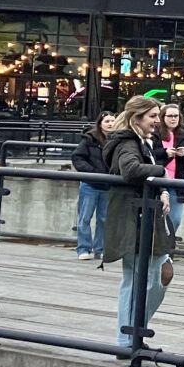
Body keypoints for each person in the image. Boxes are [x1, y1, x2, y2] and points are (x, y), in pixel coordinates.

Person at [101, 96, 173, 349]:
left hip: (144, 213)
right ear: (137, 118)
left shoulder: (141, 141)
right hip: (135, 216)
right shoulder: (128, 142)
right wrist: (162, 172)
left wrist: (162, 189)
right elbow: (130, 170)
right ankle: (127, 337)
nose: (157, 121)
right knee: (136, 278)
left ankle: (134, 331)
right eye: (152, 116)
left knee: (157, 273)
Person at [71, 111, 116, 260]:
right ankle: (83, 248)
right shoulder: (89, 139)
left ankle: (100, 248)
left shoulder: (117, 140)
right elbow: (77, 157)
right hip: (90, 184)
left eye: (112, 121)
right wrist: (91, 172)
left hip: (108, 185)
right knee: (85, 217)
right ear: (100, 124)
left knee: (104, 219)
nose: (110, 124)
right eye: (107, 121)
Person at [156, 103, 184, 236]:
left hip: (177, 180)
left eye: (176, 116)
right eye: (170, 116)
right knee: (159, 218)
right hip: (159, 180)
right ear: (163, 117)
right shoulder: (155, 134)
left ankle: (169, 247)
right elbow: (150, 156)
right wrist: (165, 153)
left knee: (175, 219)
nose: (173, 119)